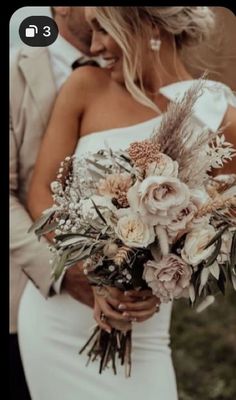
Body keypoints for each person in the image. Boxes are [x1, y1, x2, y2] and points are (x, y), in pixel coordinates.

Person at [18, 6, 236, 400]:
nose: (96, 45)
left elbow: (222, 227)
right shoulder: (85, 85)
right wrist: (94, 274)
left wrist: (170, 276)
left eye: (104, 29)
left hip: (146, 327)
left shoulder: (217, 115)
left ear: (148, 25)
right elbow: (40, 196)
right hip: (59, 322)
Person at [10, 6, 104, 399]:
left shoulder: (133, 75)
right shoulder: (15, 72)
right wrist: (64, 272)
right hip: (25, 301)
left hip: (120, 308)